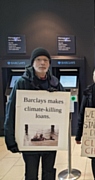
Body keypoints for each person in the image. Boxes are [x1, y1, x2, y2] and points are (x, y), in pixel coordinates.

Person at [4, 47, 65, 180]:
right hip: (29, 139)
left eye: (45, 60)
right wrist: (10, 139)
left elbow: (63, 110)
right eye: (38, 59)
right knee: (31, 173)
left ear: (49, 63)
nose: (42, 63)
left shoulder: (55, 83)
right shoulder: (22, 83)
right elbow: (11, 110)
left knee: (49, 173)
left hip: (50, 138)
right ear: (32, 62)